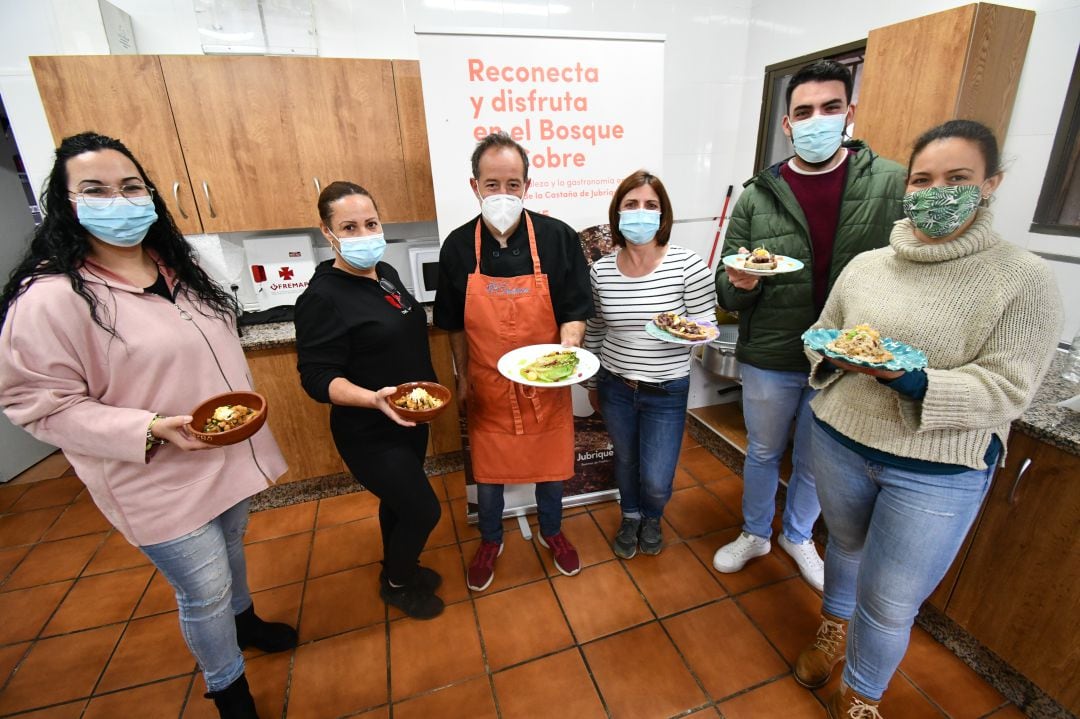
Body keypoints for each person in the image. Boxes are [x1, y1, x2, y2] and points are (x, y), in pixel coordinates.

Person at [0, 132, 294, 719]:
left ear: (151, 195)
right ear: (66, 203)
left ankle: (246, 621)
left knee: (232, 547)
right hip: (154, 474)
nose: (119, 200)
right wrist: (151, 426)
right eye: (96, 190)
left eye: (130, 186)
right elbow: (37, 403)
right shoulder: (54, 297)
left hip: (225, 452)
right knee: (202, 589)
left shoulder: (180, 269)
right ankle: (228, 688)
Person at [793, 120, 1062, 716]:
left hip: (937, 467)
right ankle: (832, 628)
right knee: (843, 545)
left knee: (890, 601)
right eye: (922, 179)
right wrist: (833, 353)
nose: (936, 192)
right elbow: (822, 335)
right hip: (840, 438)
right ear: (906, 187)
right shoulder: (867, 265)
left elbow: (1009, 388)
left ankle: (861, 694)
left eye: (957, 178)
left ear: (990, 183)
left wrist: (912, 380)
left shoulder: (1023, 279)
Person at [712, 60, 906, 591]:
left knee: (817, 460)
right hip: (772, 354)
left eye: (829, 108)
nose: (816, 120)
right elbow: (726, 288)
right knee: (763, 450)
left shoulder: (890, 182)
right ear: (787, 124)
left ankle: (799, 535)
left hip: (846, 359)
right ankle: (755, 532)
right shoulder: (759, 194)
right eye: (803, 111)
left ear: (849, 112)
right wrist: (742, 284)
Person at [434, 132, 593, 591]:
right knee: (488, 469)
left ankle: (552, 530)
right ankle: (489, 538)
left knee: (550, 463)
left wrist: (565, 361)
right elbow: (454, 324)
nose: (502, 194)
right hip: (487, 380)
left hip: (545, 379)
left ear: (527, 186)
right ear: (474, 186)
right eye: (491, 184)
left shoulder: (557, 237)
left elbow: (574, 310)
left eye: (513, 184)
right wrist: (463, 377)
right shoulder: (459, 247)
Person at [295, 181, 444, 619]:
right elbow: (317, 377)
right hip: (369, 430)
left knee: (399, 502)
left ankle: (401, 566)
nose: (364, 234)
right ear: (328, 232)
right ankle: (398, 583)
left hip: (411, 420)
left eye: (371, 223)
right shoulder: (322, 297)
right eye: (350, 227)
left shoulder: (385, 274)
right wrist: (373, 399)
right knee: (423, 509)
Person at [584, 171, 715, 558]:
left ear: (663, 214)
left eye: (651, 205)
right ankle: (629, 515)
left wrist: (683, 333)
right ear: (617, 213)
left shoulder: (688, 265)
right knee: (625, 459)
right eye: (631, 204)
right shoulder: (600, 271)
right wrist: (591, 383)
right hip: (615, 384)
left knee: (656, 477)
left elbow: (705, 324)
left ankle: (652, 515)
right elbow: (594, 327)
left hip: (667, 388)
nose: (641, 213)